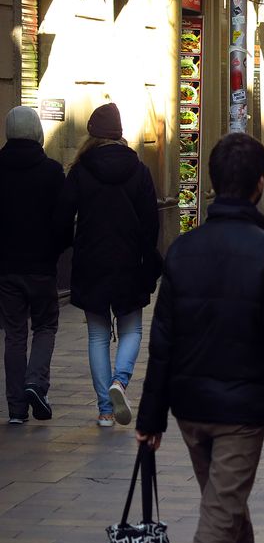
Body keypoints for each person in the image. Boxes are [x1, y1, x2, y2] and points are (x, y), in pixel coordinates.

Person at [135, 132, 264, 543]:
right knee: (218, 524)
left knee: (230, 517)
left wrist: (151, 417)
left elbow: (163, 339)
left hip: (190, 409)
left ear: (211, 183)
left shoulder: (183, 250)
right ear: (260, 185)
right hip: (240, 411)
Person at [54, 103, 159, 427]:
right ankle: (120, 381)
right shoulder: (139, 170)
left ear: (93, 134)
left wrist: (71, 243)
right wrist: (148, 259)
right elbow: (151, 223)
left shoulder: (81, 170)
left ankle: (104, 410)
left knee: (98, 336)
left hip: (91, 262)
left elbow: (62, 217)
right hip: (129, 261)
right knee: (132, 329)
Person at [0, 107, 64, 425]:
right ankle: (35, 383)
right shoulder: (51, 172)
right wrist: (56, 250)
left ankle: (15, 409)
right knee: (45, 326)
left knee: (14, 334)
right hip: (42, 266)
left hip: (7, 268)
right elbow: (63, 222)